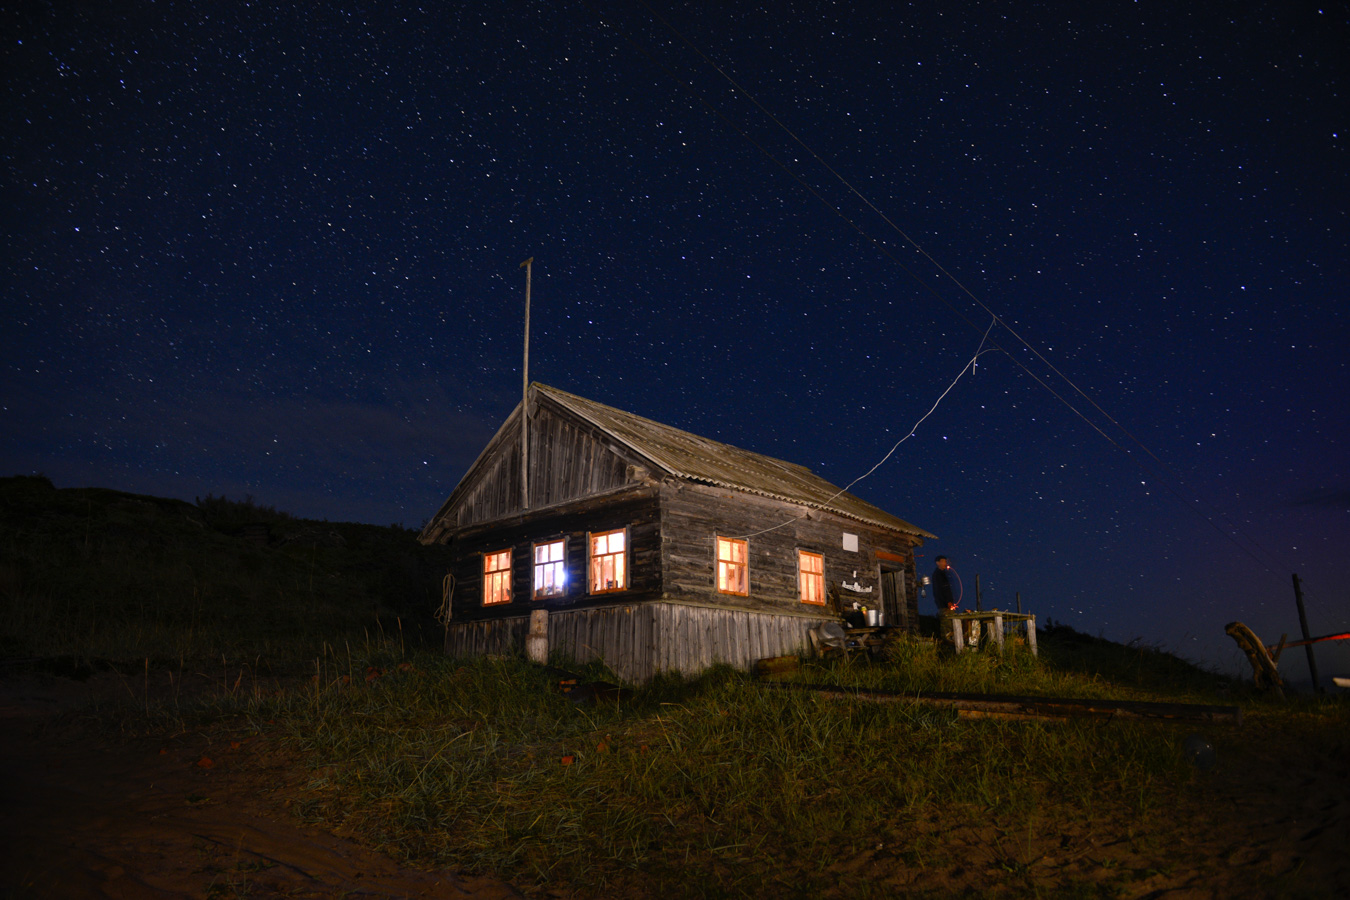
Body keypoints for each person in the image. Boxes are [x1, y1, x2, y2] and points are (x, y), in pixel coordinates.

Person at [932, 556, 958, 642]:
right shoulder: (938, 575)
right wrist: (948, 602)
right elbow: (941, 590)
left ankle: (950, 641)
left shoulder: (943, 574)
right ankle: (947, 642)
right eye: (943, 561)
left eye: (945, 561)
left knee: (950, 624)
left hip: (946, 603)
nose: (945, 563)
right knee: (947, 624)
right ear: (937, 563)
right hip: (944, 605)